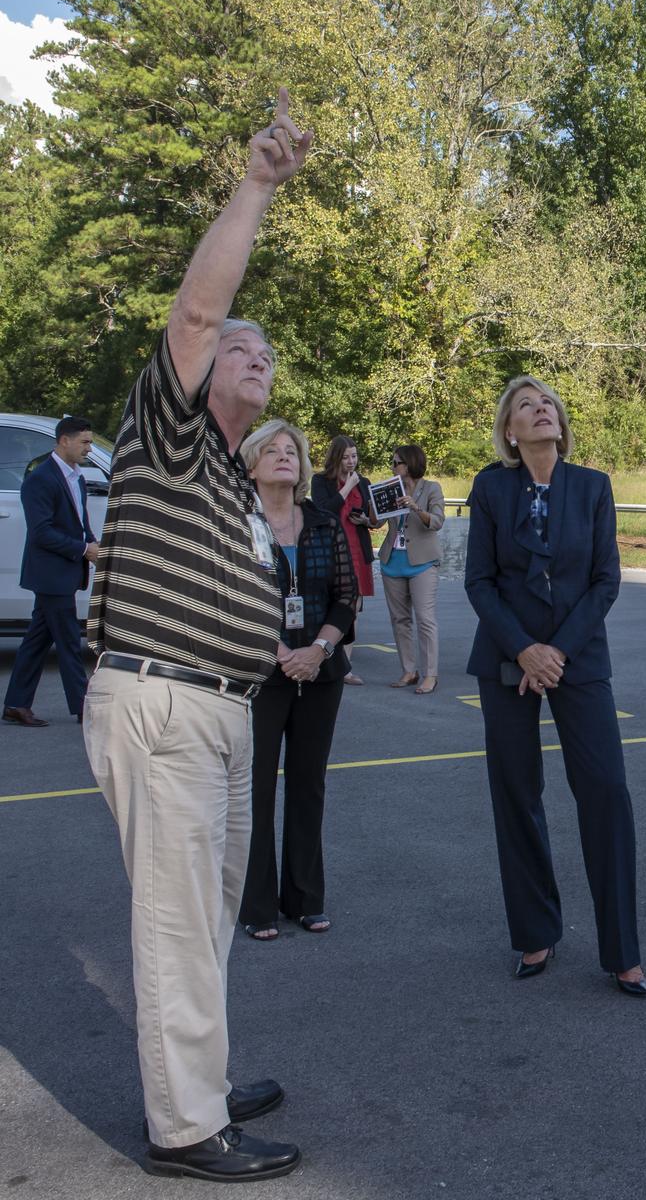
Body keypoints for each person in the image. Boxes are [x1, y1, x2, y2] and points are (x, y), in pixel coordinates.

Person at [82, 89, 310, 1181]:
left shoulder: (230, 476)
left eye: (267, 353)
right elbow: (193, 315)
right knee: (177, 922)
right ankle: (184, 1128)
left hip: (223, 708)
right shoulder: (169, 431)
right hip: (166, 698)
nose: (255, 356)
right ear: (204, 365)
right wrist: (257, 184)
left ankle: (201, 1080)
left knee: (209, 911)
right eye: (240, 346)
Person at [464, 376, 646, 996]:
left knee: (606, 791)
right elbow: (480, 581)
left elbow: (605, 580)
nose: (541, 410)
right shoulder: (491, 488)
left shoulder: (593, 486)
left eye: (548, 404)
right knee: (516, 793)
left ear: (561, 424)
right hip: (507, 655)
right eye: (526, 406)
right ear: (510, 432)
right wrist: (524, 649)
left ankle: (622, 950)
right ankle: (535, 932)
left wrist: (557, 652)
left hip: (578, 656)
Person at [240, 420, 356, 941]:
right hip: (259, 673)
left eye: (291, 450)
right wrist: (280, 651)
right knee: (256, 787)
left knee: (308, 783)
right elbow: (225, 596)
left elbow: (345, 597)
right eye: (272, 450)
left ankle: (305, 898)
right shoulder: (236, 525)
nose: (284, 456)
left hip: (320, 670)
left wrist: (317, 650)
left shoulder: (325, 524)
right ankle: (256, 904)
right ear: (251, 465)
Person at [3, 417, 99, 727]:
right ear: (64, 441)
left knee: (36, 641)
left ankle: (16, 704)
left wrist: (93, 545)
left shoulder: (76, 477)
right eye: (85, 442)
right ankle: (83, 707)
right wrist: (84, 549)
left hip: (65, 571)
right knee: (69, 640)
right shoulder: (40, 479)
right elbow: (41, 532)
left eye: (90, 442)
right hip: (50, 574)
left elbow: (80, 523)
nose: (89, 448)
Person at [378, 444, 445, 694]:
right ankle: (409, 670)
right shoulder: (391, 488)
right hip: (392, 561)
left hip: (422, 562)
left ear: (410, 464)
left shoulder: (431, 488)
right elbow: (377, 522)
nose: (392, 467)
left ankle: (430, 674)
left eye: (396, 462)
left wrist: (415, 507)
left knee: (425, 619)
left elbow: (437, 522)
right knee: (400, 620)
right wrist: (372, 509)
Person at [311, 435, 373, 685]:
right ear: (336, 457)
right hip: (333, 550)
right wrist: (347, 487)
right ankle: (323, 657)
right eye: (346, 457)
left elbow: (372, 516)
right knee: (330, 605)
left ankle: (345, 667)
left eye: (354, 456)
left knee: (353, 607)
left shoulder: (364, 482)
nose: (351, 461)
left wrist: (366, 520)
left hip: (357, 549)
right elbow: (324, 510)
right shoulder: (321, 481)